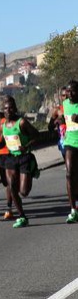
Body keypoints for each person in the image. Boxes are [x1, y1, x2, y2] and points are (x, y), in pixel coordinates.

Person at [0, 96, 39, 228]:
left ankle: (33, 168)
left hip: (24, 157)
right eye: (6, 108)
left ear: (15, 109)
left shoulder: (21, 122)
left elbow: (36, 135)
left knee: (24, 192)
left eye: (11, 108)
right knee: (11, 186)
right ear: (3, 111)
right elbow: (2, 137)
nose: (8, 110)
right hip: (10, 158)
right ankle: (22, 216)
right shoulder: (3, 124)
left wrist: (27, 146)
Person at [63, 80, 78, 223]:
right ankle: (73, 209)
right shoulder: (65, 104)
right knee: (69, 174)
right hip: (70, 143)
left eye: (73, 91)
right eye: (68, 91)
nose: (70, 94)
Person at [48, 86, 68, 160]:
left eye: (67, 95)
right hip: (64, 141)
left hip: (75, 139)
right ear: (60, 97)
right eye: (63, 95)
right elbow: (50, 127)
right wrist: (56, 122)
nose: (66, 97)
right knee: (69, 167)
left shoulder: (75, 108)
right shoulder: (57, 110)